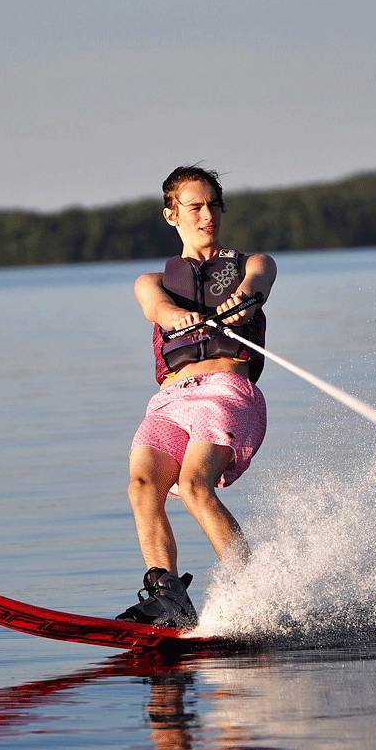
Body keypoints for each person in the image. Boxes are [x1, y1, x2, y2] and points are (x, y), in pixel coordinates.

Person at [117, 166, 277, 628]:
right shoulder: (153, 281)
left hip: (227, 392)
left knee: (192, 486)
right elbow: (157, 309)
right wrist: (177, 318)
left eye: (213, 205)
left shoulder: (254, 264)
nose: (207, 215)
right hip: (172, 400)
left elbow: (258, 284)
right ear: (172, 216)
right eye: (195, 206)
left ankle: (256, 594)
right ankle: (169, 599)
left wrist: (242, 299)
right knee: (142, 485)